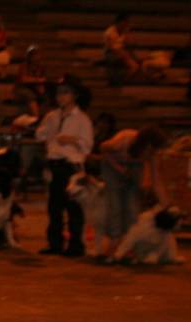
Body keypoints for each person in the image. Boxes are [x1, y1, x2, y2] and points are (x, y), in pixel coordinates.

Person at [35, 75, 93, 257]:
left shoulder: (82, 119)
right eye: (59, 93)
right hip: (55, 164)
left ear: (75, 95)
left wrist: (72, 140)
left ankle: (76, 245)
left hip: (72, 166)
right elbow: (39, 136)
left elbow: (87, 146)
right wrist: (48, 128)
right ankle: (55, 243)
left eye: (66, 93)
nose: (61, 97)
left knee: (74, 208)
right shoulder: (52, 116)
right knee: (54, 206)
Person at [100, 125, 169, 258]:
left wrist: (167, 205)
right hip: (111, 165)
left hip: (134, 166)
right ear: (147, 144)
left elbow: (157, 182)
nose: (154, 153)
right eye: (153, 149)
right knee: (115, 205)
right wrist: (119, 168)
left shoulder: (151, 155)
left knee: (132, 207)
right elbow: (103, 148)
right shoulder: (124, 140)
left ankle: (128, 243)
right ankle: (114, 242)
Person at [13, 44, 49, 119]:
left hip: (34, 88)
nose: (36, 57)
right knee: (30, 95)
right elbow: (23, 79)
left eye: (38, 55)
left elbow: (43, 79)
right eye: (34, 55)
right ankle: (36, 117)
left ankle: (44, 118)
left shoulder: (41, 67)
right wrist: (37, 80)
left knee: (45, 96)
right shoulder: (24, 66)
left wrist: (41, 88)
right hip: (22, 88)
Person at [103, 12, 140, 84]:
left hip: (122, 52)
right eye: (125, 22)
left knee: (135, 66)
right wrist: (125, 55)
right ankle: (118, 80)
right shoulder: (109, 32)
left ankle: (122, 79)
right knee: (131, 64)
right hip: (111, 53)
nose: (127, 24)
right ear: (120, 22)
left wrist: (134, 56)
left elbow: (128, 44)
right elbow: (113, 48)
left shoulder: (124, 31)